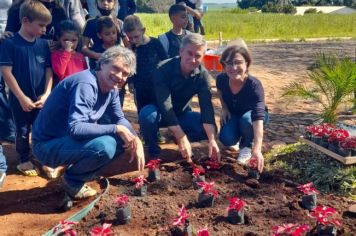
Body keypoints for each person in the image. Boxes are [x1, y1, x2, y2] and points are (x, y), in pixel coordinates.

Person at [32, 46, 145, 199]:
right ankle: (72, 180)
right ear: (102, 63)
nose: (119, 76)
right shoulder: (86, 84)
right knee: (105, 146)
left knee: (123, 140)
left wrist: (135, 138)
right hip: (47, 145)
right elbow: (76, 128)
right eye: (116, 69)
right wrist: (117, 128)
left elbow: (119, 117)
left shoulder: (111, 89)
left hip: (67, 141)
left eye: (125, 74)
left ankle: (80, 171)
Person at [139, 33, 220, 163]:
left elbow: (206, 107)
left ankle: (175, 136)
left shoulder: (202, 75)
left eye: (198, 56)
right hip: (159, 113)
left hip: (182, 114)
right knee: (147, 115)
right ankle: (153, 151)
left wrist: (212, 140)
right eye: (189, 53)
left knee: (209, 129)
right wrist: (181, 136)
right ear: (181, 51)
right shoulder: (162, 69)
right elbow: (165, 105)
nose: (193, 59)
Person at [0, 0, 53, 176]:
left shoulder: (43, 45)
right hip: (19, 98)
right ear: (25, 21)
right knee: (22, 130)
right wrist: (22, 97)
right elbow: (6, 73)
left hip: (40, 98)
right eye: (41, 25)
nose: (44, 30)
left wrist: (47, 94)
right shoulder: (10, 43)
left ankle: (41, 157)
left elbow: (48, 71)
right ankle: (23, 159)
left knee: (41, 127)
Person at [216, 42, 269, 173]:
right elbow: (220, 92)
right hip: (235, 113)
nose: (233, 67)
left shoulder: (254, 86)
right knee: (226, 138)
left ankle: (246, 146)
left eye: (238, 62)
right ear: (223, 65)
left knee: (246, 121)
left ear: (247, 64)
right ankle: (240, 135)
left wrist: (257, 148)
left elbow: (257, 116)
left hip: (253, 117)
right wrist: (225, 109)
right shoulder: (221, 79)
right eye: (228, 63)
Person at [123, 15, 168, 113]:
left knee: (158, 111)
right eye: (130, 38)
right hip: (139, 87)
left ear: (143, 30)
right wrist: (130, 82)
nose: (134, 40)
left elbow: (165, 61)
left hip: (156, 85)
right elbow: (129, 66)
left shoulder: (155, 43)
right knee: (143, 112)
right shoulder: (131, 48)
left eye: (136, 36)